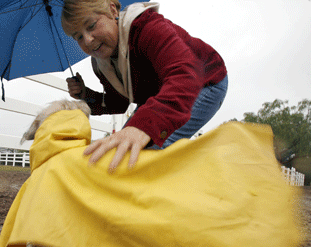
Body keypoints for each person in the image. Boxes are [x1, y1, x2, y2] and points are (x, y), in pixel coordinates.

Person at [61, 0, 228, 172]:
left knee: (142, 157)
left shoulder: (147, 26)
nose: (87, 40)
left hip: (204, 80)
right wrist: (85, 94)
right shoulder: (100, 64)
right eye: (78, 36)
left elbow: (186, 74)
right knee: (119, 153)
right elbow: (118, 103)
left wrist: (143, 126)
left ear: (112, 10)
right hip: (157, 92)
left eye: (91, 25)